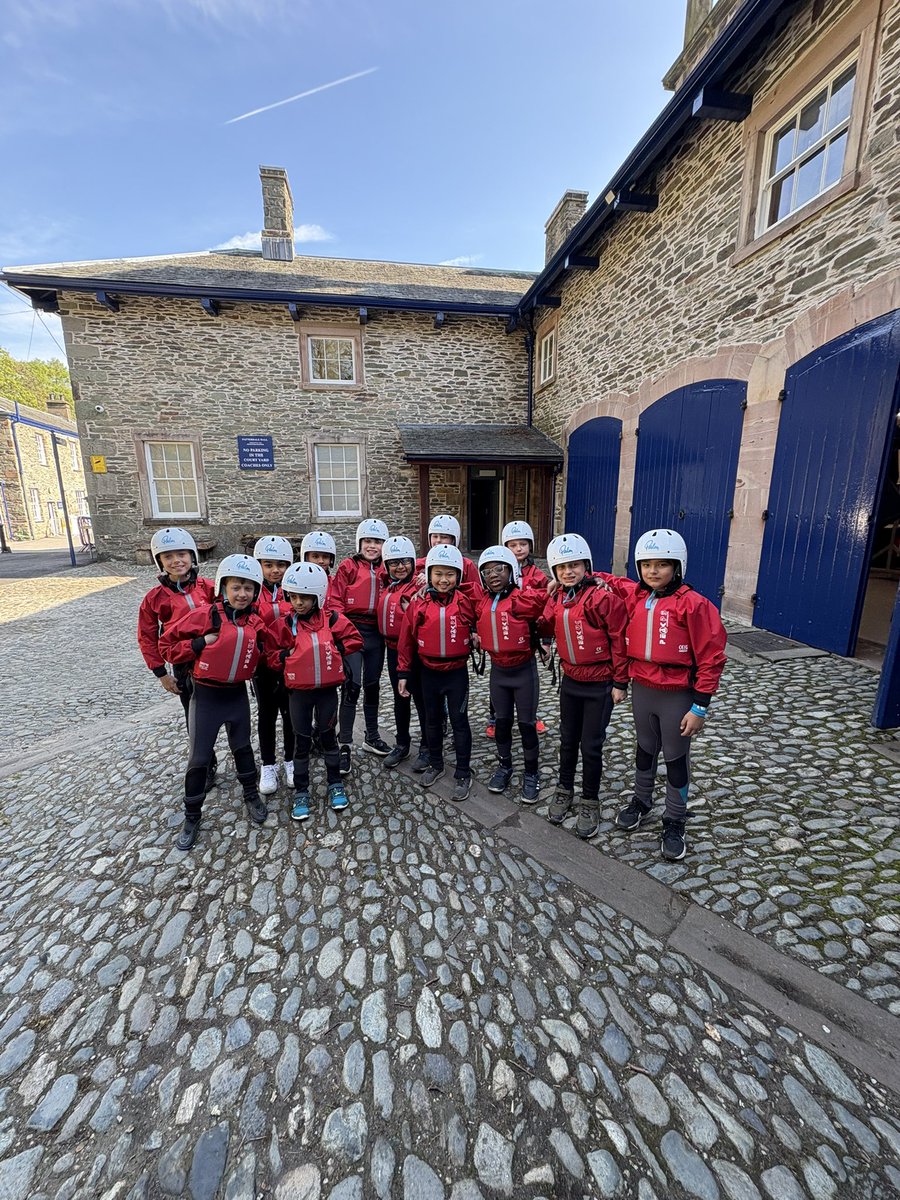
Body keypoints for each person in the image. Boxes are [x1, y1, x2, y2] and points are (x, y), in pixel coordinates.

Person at [615, 529, 726, 862]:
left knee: (676, 759)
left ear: (678, 566)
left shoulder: (694, 605)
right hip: (643, 690)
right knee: (645, 750)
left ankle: (675, 819)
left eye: (662, 565)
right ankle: (641, 800)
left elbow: (711, 656)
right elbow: (608, 581)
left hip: (677, 694)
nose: (653, 571)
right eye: (646, 564)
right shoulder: (635, 596)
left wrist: (700, 707)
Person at [160, 554, 274, 851]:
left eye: (249, 588)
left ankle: (251, 795)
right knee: (199, 758)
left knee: (243, 749)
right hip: (207, 697)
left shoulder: (256, 622)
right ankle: (192, 815)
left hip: (236, 694)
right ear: (224, 587)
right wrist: (198, 644)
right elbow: (167, 646)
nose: (242, 594)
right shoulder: (206, 615)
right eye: (236, 587)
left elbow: (266, 653)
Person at [540, 533, 629, 839]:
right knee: (567, 740)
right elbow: (545, 622)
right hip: (570, 681)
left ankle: (589, 799)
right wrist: (547, 595)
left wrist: (620, 681)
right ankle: (564, 788)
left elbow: (619, 639)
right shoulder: (558, 596)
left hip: (599, 684)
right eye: (561, 567)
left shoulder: (602, 598)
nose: (568, 572)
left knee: (591, 746)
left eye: (575, 565)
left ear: (586, 566)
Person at [267, 562, 363, 822]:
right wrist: (286, 656)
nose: (298, 602)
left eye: (305, 597)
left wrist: (336, 650)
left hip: (327, 692)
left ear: (318, 597)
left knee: (328, 737)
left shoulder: (332, 619)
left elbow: (355, 639)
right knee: (302, 742)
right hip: (298, 694)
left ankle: (334, 783)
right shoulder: (284, 624)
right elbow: (270, 655)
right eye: (293, 596)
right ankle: (301, 790)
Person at [137, 527, 217, 787]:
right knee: (195, 718)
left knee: (225, 712)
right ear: (159, 561)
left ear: (192, 556)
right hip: (184, 664)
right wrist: (161, 673)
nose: (176, 561)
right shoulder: (155, 598)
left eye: (181, 554)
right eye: (168, 556)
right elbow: (147, 636)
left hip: (217, 659)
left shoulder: (208, 588)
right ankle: (204, 764)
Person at [397, 543, 477, 801]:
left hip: (456, 674)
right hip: (428, 673)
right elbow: (406, 640)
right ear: (429, 574)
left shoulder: (466, 602)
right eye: (438, 574)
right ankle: (436, 764)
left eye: (450, 574)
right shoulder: (419, 603)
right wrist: (403, 673)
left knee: (459, 721)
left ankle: (464, 772)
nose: (444, 580)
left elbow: (482, 621)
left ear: (458, 576)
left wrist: (477, 634)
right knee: (431, 721)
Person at [473, 545, 546, 803]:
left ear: (512, 571)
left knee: (526, 725)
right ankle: (504, 766)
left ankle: (531, 773)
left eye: (499, 569)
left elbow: (549, 604)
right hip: (498, 673)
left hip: (524, 672)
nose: (493, 575)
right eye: (487, 571)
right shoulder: (480, 601)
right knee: (502, 723)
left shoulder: (523, 598)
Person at [331, 518, 392, 769]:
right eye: (368, 541)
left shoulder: (388, 569)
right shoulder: (348, 567)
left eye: (377, 542)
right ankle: (344, 742)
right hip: (352, 630)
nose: (372, 546)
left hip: (376, 633)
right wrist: (343, 631)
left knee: (373, 684)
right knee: (352, 685)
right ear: (360, 543)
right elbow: (335, 600)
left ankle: (372, 736)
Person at [483, 519, 550, 738]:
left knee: (528, 686)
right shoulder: (498, 568)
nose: (518, 549)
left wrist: (546, 642)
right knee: (498, 680)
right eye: (512, 545)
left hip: (527, 637)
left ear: (530, 545)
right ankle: (495, 716)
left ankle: (532, 715)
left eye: (523, 543)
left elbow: (546, 607)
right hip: (500, 636)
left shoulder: (537, 576)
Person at [377, 535, 429, 771]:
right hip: (392, 650)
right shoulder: (388, 587)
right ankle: (402, 744)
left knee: (421, 699)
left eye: (405, 562)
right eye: (394, 563)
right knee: (400, 698)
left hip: (415, 653)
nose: (400, 567)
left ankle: (428, 747)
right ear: (387, 566)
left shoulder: (420, 586)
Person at [252, 535, 295, 795]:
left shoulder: (296, 588)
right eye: (268, 564)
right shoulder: (252, 591)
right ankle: (268, 764)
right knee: (267, 714)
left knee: (290, 714)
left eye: (281, 564)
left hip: (291, 660)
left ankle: (290, 760)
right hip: (263, 665)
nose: (275, 570)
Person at [415, 514, 480, 587]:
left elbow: (476, 591)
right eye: (435, 536)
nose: (438, 540)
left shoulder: (467, 565)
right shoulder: (419, 564)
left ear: (453, 540)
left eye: (444, 537)